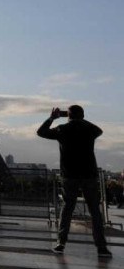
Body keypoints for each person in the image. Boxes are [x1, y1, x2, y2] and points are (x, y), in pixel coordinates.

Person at [37, 105, 112, 258]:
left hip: (69, 175)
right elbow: (99, 130)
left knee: (67, 210)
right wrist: (80, 120)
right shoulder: (89, 129)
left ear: (68, 116)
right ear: (82, 115)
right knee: (95, 212)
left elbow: (41, 132)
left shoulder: (62, 129)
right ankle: (101, 247)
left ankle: (61, 243)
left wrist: (52, 118)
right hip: (89, 174)